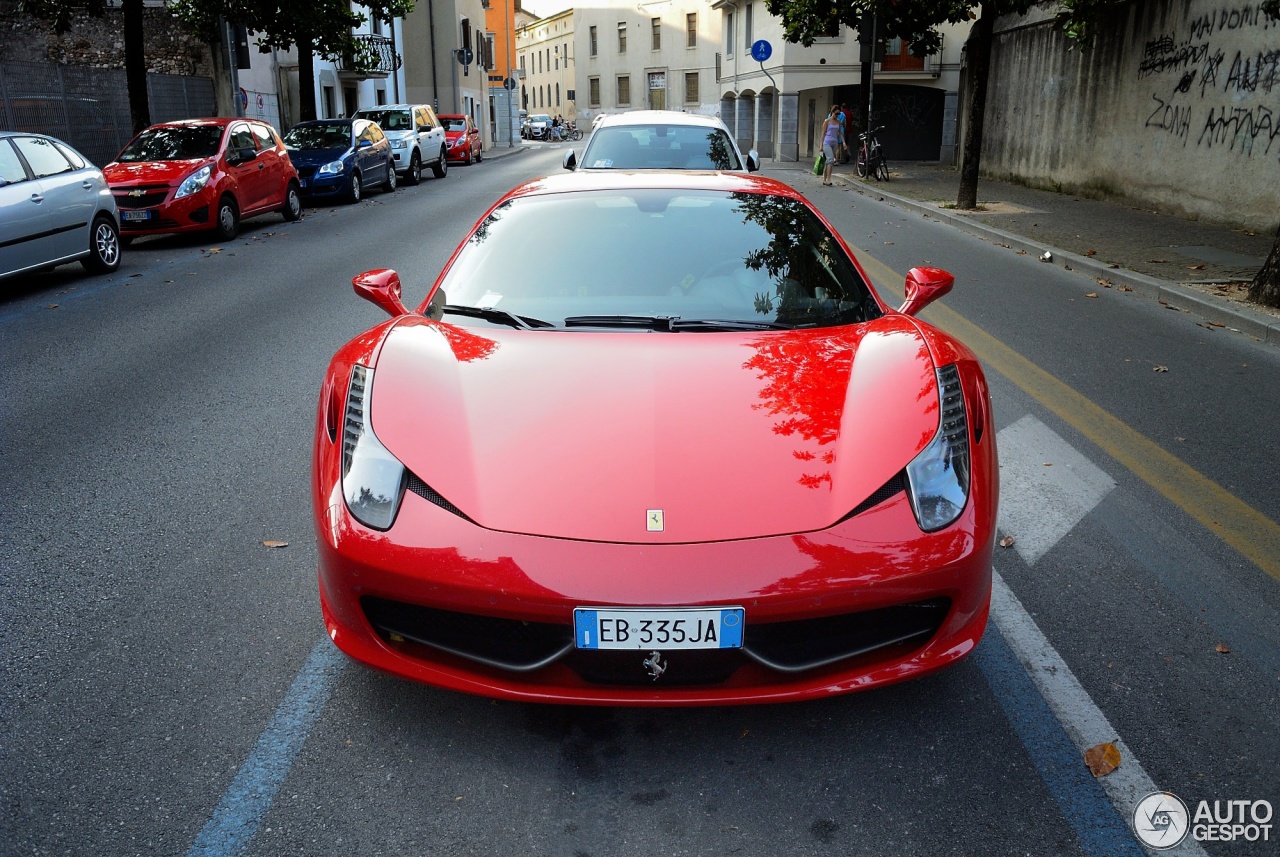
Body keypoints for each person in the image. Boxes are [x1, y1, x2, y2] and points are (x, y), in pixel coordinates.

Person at [820, 105, 843, 186]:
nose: (837, 115)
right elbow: (823, 134)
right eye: (836, 113)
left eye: (839, 114)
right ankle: (829, 179)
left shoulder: (838, 122)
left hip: (835, 143)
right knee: (830, 159)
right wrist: (821, 145)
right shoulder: (827, 121)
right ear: (832, 112)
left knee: (828, 162)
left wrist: (844, 143)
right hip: (827, 142)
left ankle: (824, 178)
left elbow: (840, 133)